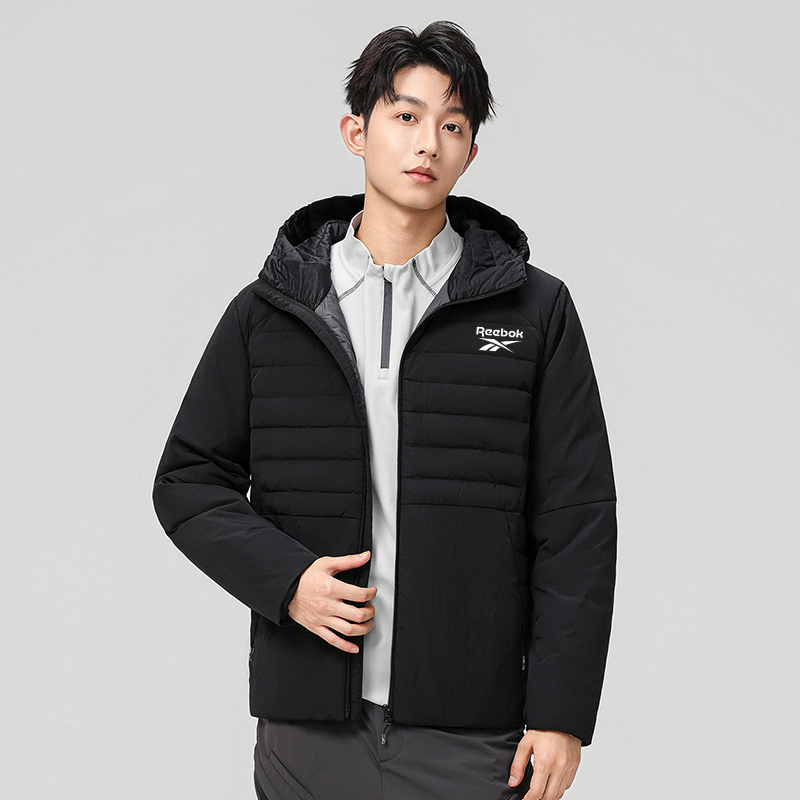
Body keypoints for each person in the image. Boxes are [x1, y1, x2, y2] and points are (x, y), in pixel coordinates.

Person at [152, 20, 617, 800]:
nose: (428, 142)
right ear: (357, 132)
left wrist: (560, 714)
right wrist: (287, 581)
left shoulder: (536, 312)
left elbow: (577, 519)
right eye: (406, 116)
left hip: (474, 731)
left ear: (471, 152)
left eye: (453, 125)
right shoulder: (273, 311)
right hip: (308, 729)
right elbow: (186, 481)